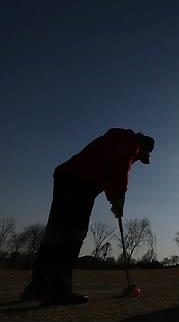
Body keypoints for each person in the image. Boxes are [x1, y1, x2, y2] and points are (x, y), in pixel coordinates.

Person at [22, 128, 155, 304]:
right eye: (141, 156)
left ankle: (38, 286)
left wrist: (114, 199)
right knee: (73, 233)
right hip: (80, 182)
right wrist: (119, 197)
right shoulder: (130, 143)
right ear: (143, 146)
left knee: (56, 232)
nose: (138, 159)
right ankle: (58, 290)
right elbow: (120, 169)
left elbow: (111, 170)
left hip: (68, 177)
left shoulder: (119, 140)